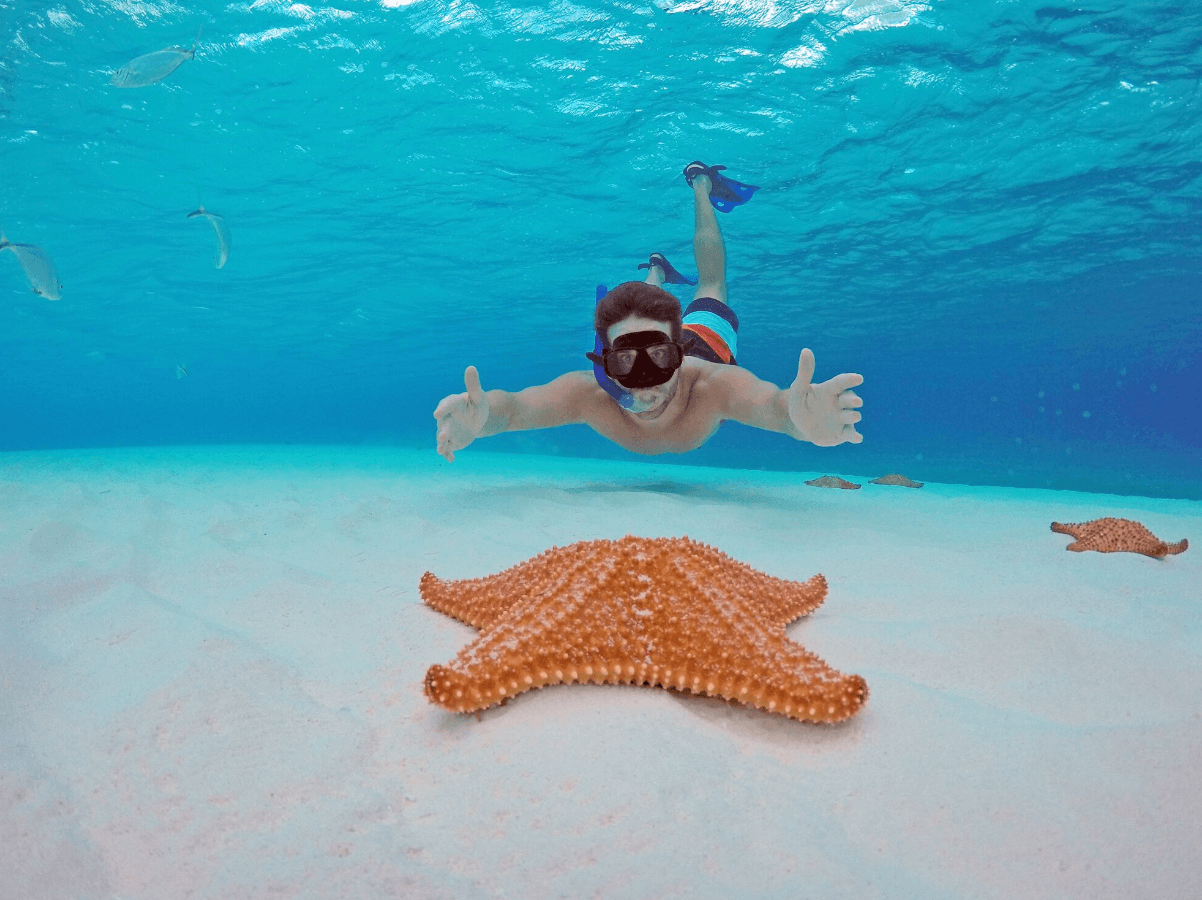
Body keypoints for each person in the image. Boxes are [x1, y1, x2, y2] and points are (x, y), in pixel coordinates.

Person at [434, 162, 864, 462]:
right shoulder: (592, 397)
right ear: (606, 365)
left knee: (712, 283)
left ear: (678, 353)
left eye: (659, 359)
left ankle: (701, 187)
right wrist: (483, 420)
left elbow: (770, 404)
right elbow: (512, 409)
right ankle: (655, 271)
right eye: (624, 363)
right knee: (647, 314)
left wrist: (797, 417)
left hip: (706, 344)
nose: (645, 389)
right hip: (665, 339)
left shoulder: (711, 386)